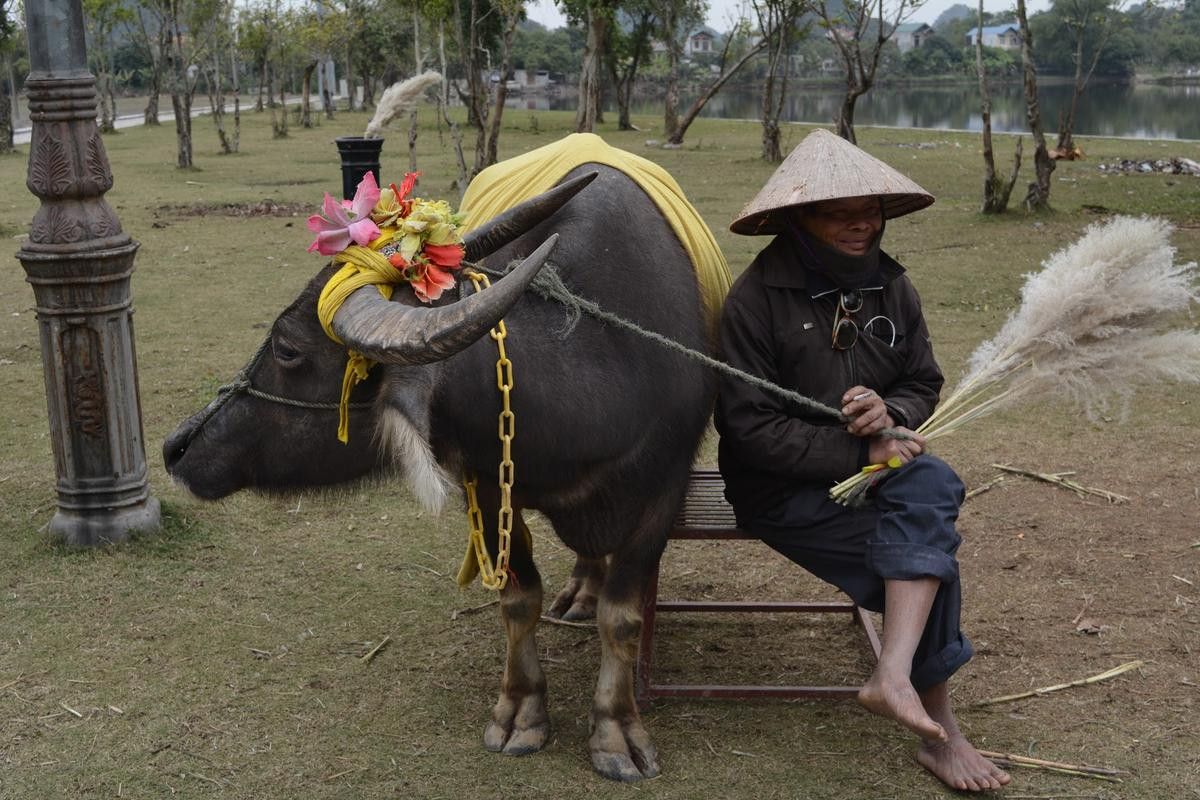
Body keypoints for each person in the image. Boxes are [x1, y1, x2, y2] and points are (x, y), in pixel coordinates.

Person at [715, 129, 1011, 793]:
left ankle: (892, 675)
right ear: (798, 220)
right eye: (837, 213)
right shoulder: (755, 301)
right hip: (781, 495)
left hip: (878, 481)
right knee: (929, 559)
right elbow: (747, 430)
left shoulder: (893, 287)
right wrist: (858, 446)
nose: (860, 225)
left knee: (931, 486)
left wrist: (893, 414)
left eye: (870, 210)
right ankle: (942, 735)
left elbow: (922, 381)